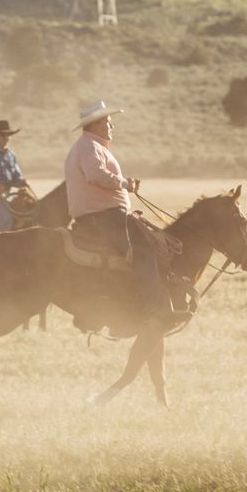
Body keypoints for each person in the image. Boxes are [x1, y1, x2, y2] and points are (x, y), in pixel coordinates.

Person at [65, 100, 183, 329]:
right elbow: (96, 175)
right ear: (96, 124)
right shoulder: (90, 147)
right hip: (102, 215)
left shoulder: (90, 146)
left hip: (100, 214)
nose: (111, 127)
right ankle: (153, 310)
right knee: (145, 252)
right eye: (108, 122)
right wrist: (125, 183)